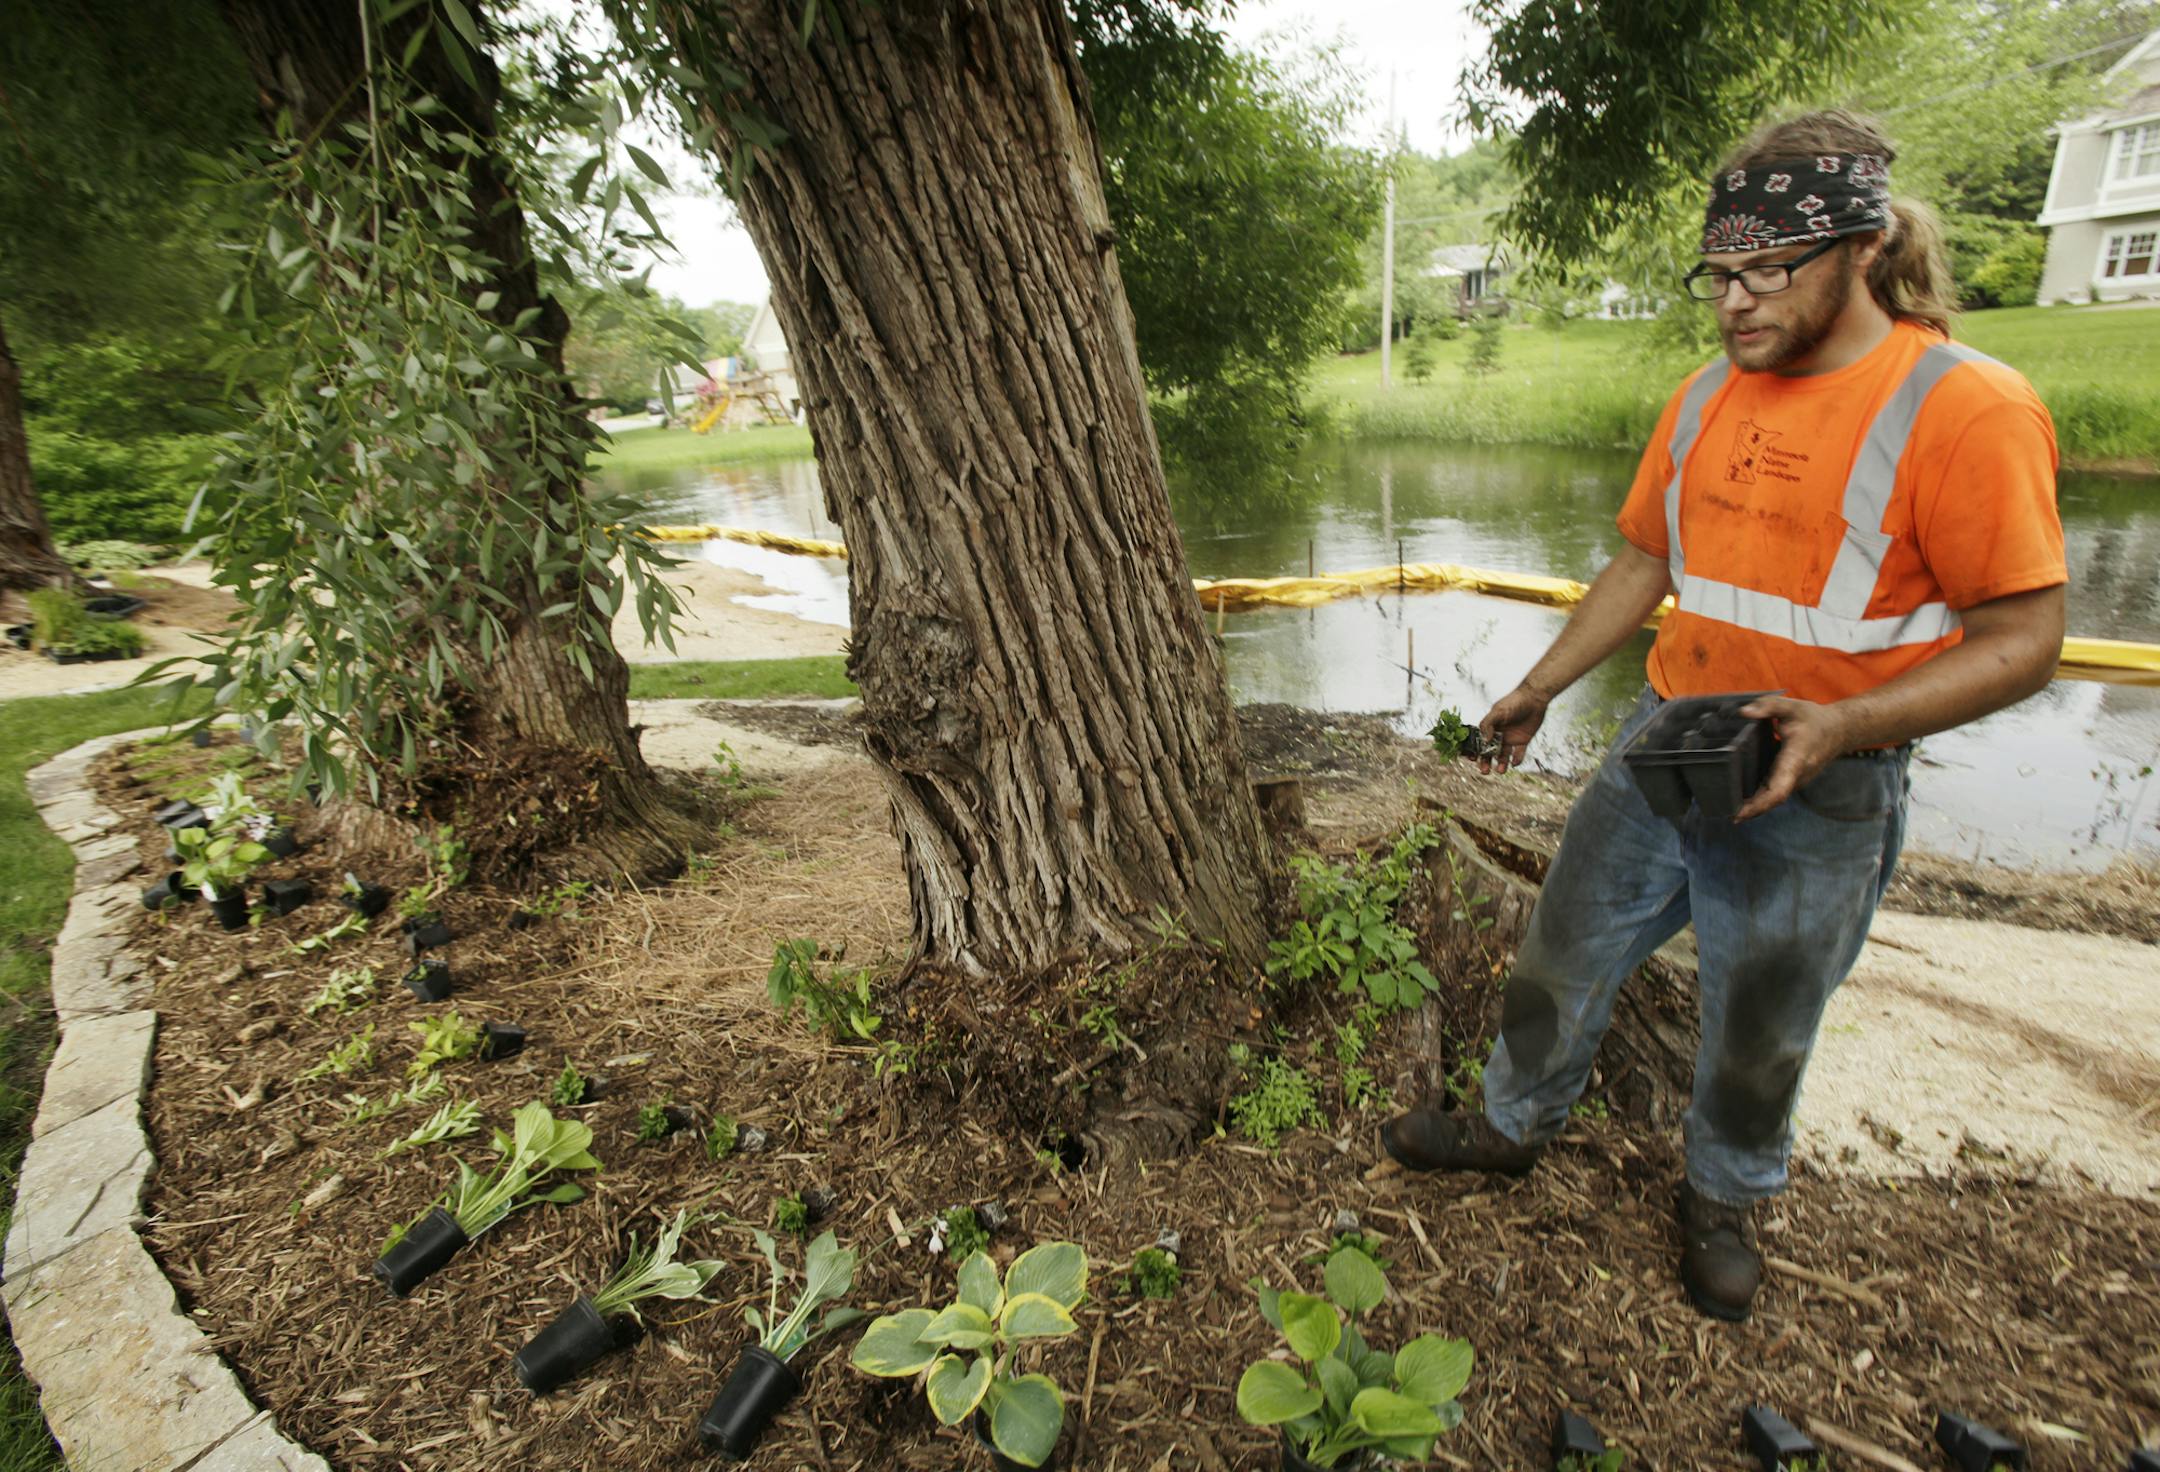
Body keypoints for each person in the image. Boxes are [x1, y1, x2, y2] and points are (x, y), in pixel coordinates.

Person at [1379, 111, 2068, 1323]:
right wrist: (1539, 684)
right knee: (1564, 941)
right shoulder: (1706, 396)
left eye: (1767, 271)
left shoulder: (1967, 408)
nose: (1735, 303)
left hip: (1826, 778)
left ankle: (1723, 1194)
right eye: (1718, 276)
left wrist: (1842, 726)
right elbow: (1646, 565)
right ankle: (1508, 1123)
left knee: (1761, 1012)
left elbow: (2026, 641)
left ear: (1859, 246)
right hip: (1672, 738)